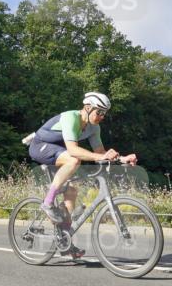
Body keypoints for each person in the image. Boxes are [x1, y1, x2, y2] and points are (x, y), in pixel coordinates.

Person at [28, 92, 138, 259]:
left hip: (59, 152)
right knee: (74, 160)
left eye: (105, 113)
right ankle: (47, 202)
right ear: (87, 108)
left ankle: (64, 242)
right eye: (99, 112)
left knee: (71, 192)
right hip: (40, 146)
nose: (102, 116)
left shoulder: (94, 127)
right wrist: (101, 157)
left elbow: (100, 152)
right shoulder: (70, 118)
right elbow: (73, 151)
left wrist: (122, 158)